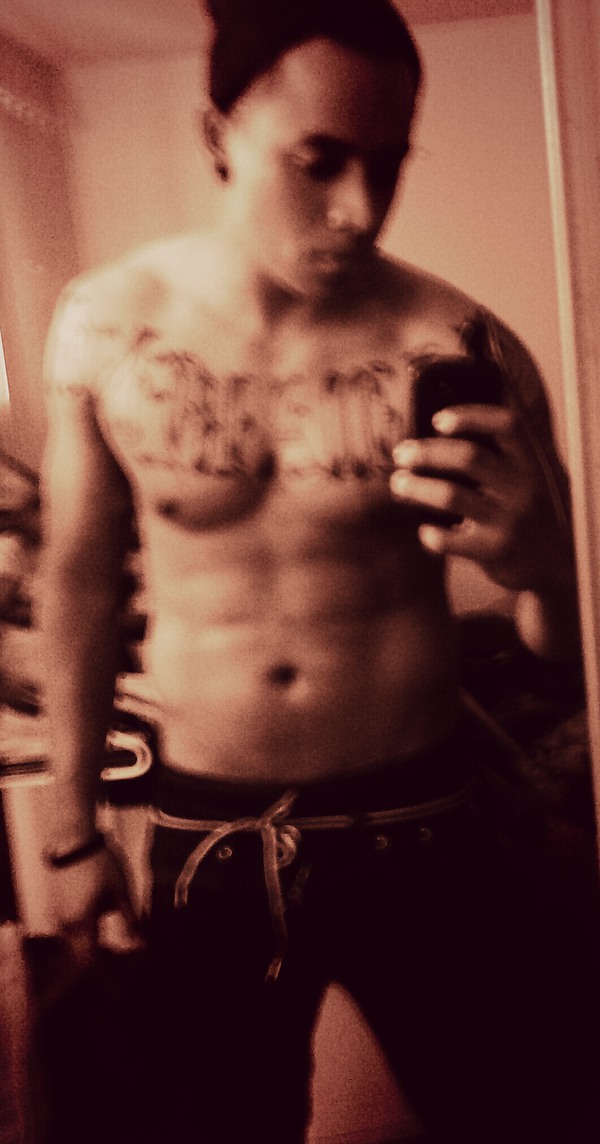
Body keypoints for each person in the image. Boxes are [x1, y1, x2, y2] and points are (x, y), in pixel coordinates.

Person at [37, 1, 594, 1142]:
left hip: (426, 824)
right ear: (216, 137)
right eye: (319, 160)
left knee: (508, 1115)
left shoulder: (462, 342)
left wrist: (546, 567)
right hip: (207, 838)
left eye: (388, 164)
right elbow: (79, 589)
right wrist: (71, 832)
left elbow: (568, 650)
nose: (361, 209)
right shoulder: (106, 329)